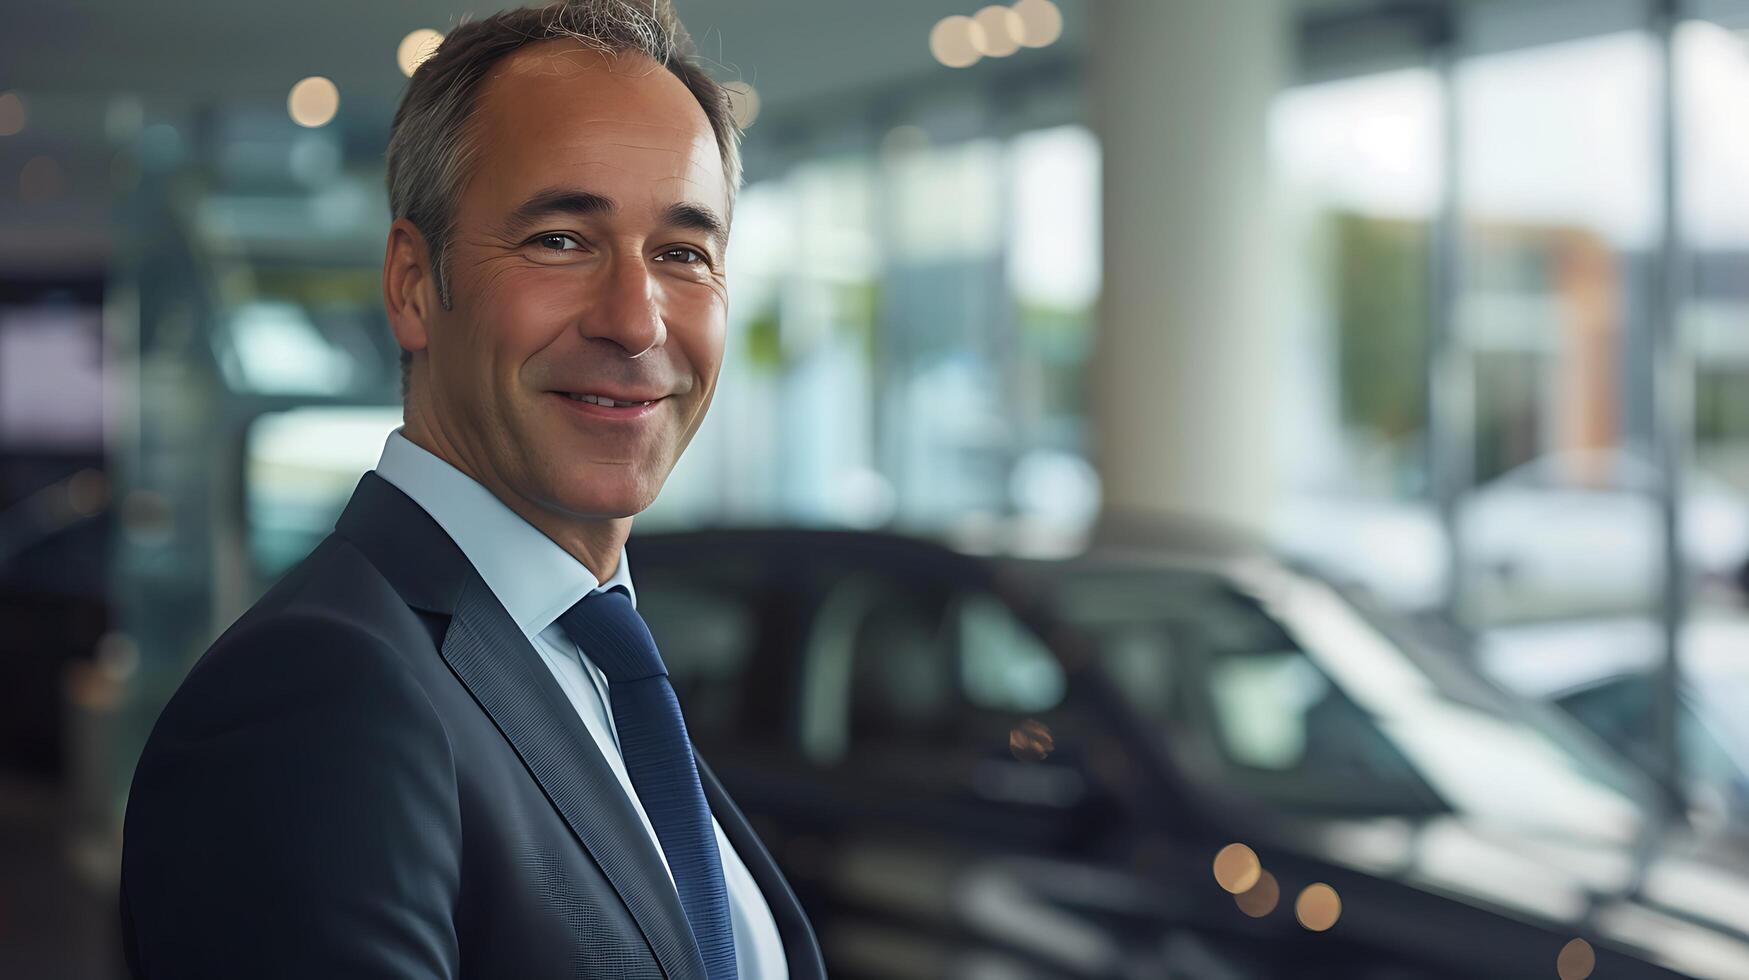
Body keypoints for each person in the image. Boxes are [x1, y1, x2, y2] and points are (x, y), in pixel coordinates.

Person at [118, 2, 822, 977]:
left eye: (682, 252)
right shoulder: (317, 697)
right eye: (562, 239)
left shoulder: (595, 661)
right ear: (412, 281)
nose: (636, 318)